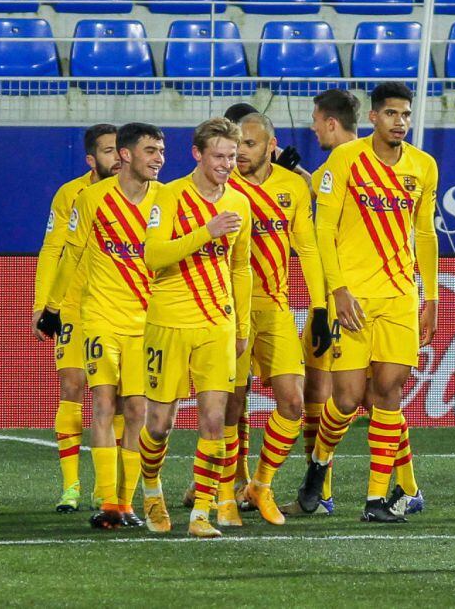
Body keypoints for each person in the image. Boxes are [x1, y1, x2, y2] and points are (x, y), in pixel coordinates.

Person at [297, 82, 438, 523]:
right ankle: (319, 463)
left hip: (399, 297)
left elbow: (425, 234)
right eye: (392, 114)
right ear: (374, 117)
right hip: (353, 297)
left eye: (406, 115)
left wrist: (429, 296)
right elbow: (324, 230)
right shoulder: (345, 160)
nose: (400, 122)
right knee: (347, 397)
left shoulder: (423, 166)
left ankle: (376, 499)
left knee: (388, 392)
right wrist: (336, 290)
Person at [42, 123, 165, 529]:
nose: (159, 158)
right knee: (102, 403)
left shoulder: (167, 200)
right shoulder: (90, 199)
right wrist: (52, 306)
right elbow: (68, 253)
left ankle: (125, 503)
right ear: (127, 155)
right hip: (101, 318)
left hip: (147, 321)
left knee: (137, 410)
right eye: (151, 151)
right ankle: (106, 498)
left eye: (161, 151)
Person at [138, 117, 252, 538]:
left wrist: (241, 323)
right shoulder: (167, 197)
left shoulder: (240, 203)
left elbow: (241, 267)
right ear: (197, 154)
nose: (226, 164)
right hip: (169, 321)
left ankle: (200, 512)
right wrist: (206, 232)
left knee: (214, 421)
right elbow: (153, 256)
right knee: (159, 424)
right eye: (219, 156)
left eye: (233, 157)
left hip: (217, 324)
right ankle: (151, 492)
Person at [224, 112, 330, 526]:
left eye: (249, 144)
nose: (241, 154)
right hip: (228, 311)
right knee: (230, 405)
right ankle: (229, 487)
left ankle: (261, 485)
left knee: (292, 402)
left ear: (271, 145)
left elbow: (307, 248)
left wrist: (319, 309)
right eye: (237, 146)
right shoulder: (222, 185)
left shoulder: (293, 188)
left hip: (275, 308)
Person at [280, 88, 367, 517]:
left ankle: (323, 486)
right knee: (377, 395)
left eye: (316, 120)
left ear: (331, 122)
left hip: (345, 292)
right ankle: (404, 488)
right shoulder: (363, 162)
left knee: (338, 393)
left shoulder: (343, 161)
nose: (313, 128)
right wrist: (300, 173)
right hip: (359, 292)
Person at [32, 124, 121, 513]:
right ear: (91, 159)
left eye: (120, 150)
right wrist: (42, 303)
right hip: (74, 306)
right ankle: (71, 488)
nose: (117, 158)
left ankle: (109, 489)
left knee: (117, 399)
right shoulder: (71, 195)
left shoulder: (146, 195)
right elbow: (52, 249)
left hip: (119, 307)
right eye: (107, 152)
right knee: (73, 385)